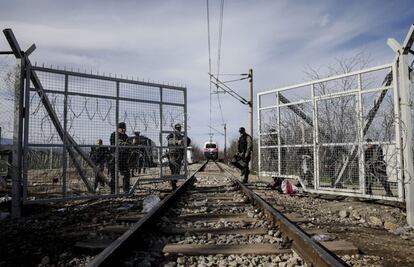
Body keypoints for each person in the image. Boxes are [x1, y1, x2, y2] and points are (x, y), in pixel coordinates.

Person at [166, 123, 191, 190]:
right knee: (174, 168)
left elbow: (188, 141)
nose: (178, 129)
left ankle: (174, 182)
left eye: (179, 128)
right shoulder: (171, 135)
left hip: (179, 154)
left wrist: (185, 141)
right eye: (177, 128)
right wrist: (178, 141)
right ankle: (173, 183)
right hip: (173, 153)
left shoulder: (182, 135)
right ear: (175, 128)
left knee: (177, 168)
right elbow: (170, 141)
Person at [109, 122, 131, 193]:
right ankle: (113, 192)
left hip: (123, 159)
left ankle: (126, 191)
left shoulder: (126, 136)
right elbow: (117, 144)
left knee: (126, 174)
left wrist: (132, 144)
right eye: (122, 129)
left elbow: (129, 146)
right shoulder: (114, 135)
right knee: (114, 176)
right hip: (114, 158)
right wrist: (126, 144)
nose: (124, 130)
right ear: (118, 129)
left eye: (125, 128)